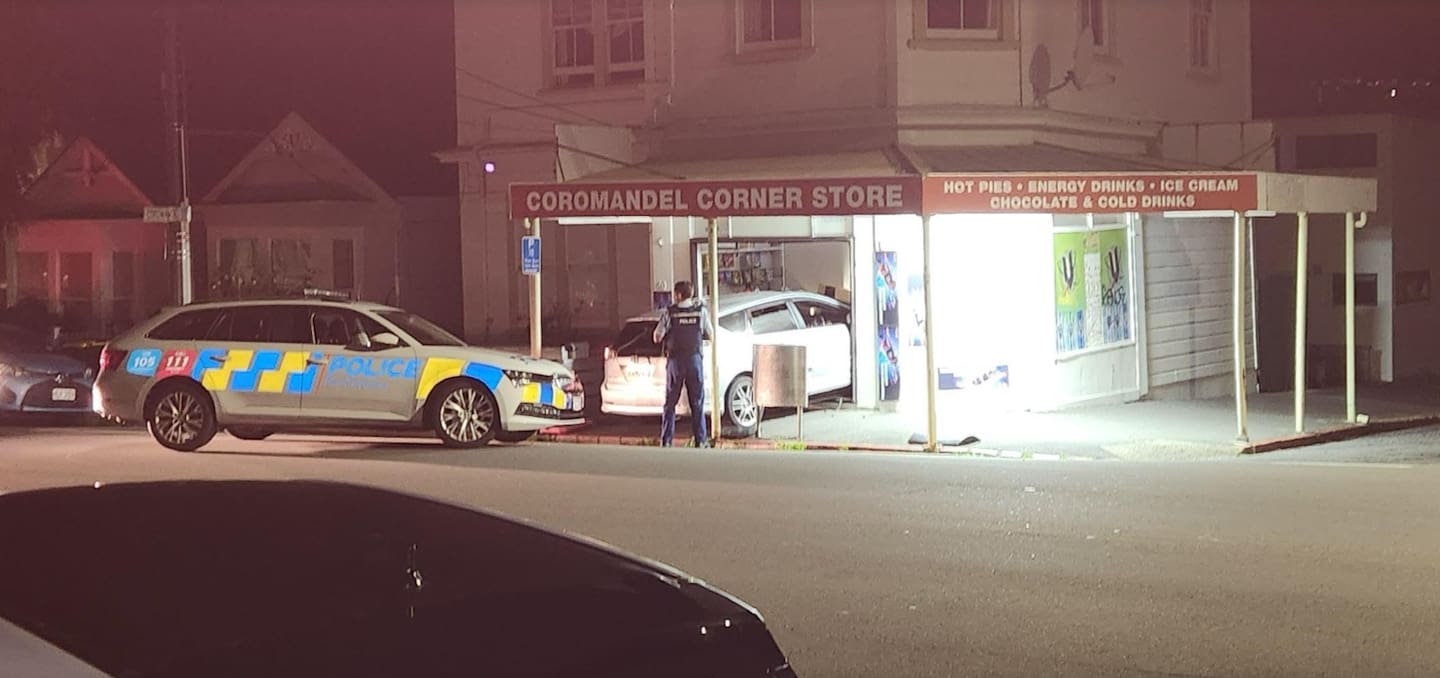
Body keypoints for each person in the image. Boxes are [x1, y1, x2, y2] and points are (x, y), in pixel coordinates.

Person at [653, 281, 713, 447]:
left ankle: (666, 440)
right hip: (695, 360)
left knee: (670, 402)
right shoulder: (701, 312)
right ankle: (701, 440)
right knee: (697, 402)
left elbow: (656, 336)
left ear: (678, 295)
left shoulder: (670, 313)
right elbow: (711, 335)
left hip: (676, 361)